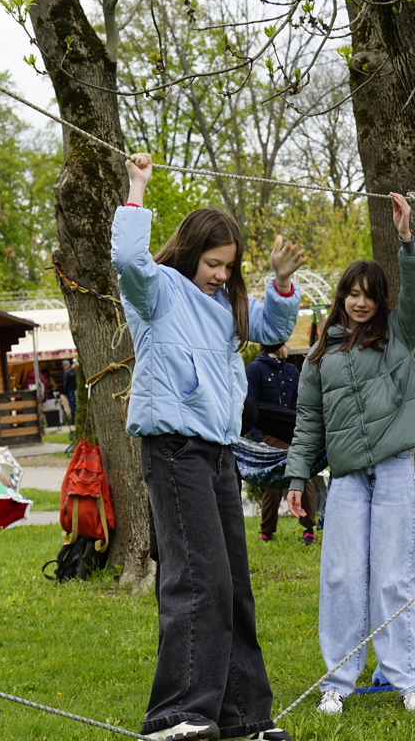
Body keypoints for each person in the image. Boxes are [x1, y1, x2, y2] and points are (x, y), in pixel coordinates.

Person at [112, 152, 305, 741]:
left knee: (235, 586)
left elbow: (275, 330)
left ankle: (244, 717)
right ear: (191, 252)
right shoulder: (159, 291)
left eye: (230, 266)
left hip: (220, 453)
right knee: (199, 580)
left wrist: (280, 284)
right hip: (174, 449)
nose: (221, 274)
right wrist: (137, 188)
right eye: (214, 263)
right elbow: (128, 260)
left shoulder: (226, 307)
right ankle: (178, 715)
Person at [285, 192, 415, 716]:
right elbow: (308, 424)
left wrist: (406, 240)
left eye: (369, 295)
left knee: (395, 576)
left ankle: (405, 679)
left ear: (380, 300)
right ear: (341, 298)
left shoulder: (397, 333)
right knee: (342, 578)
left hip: (394, 470)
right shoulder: (319, 356)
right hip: (347, 478)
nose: (360, 302)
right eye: (352, 293)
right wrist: (297, 480)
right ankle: (337, 682)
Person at [246, 341, 316, 545]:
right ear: (275, 345)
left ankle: (308, 529)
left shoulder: (291, 370)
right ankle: (267, 530)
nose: (288, 346)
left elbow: (302, 402)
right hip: (268, 435)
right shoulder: (254, 369)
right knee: (273, 481)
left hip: (293, 433)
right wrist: (259, 440)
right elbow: (250, 405)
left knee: (304, 477)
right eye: (285, 342)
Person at [63, 359, 78, 423]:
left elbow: (65, 383)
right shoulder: (73, 370)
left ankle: (73, 420)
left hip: (70, 390)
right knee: (75, 405)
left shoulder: (66, 372)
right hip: (74, 389)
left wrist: (64, 392)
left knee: (72, 406)